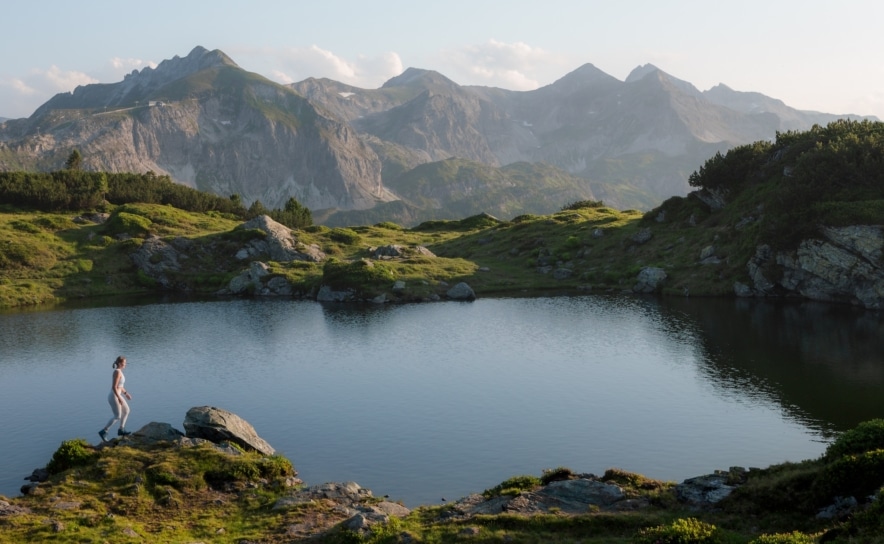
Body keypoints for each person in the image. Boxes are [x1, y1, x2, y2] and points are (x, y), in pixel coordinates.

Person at [98, 356, 132, 441]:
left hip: (118, 395)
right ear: (120, 363)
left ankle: (121, 429)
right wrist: (119, 398)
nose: (125, 364)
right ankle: (104, 431)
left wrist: (126, 393)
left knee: (127, 410)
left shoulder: (120, 372)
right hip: (114, 396)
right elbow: (114, 387)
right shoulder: (117, 372)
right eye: (124, 363)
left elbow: (120, 386)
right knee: (117, 416)